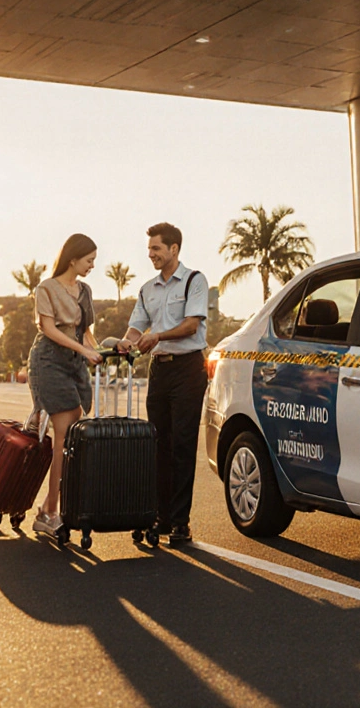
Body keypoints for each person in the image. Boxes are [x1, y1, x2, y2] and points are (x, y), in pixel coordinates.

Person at [117, 223, 209, 546]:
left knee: (183, 445)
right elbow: (135, 329)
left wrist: (158, 336)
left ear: (174, 249)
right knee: (159, 445)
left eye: (156, 248)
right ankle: (162, 517)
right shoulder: (147, 289)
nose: (151, 254)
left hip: (188, 369)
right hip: (160, 370)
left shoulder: (195, 282)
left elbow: (190, 325)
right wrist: (122, 343)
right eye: (149, 249)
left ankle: (180, 523)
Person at [28, 233, 103, 536]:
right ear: (73, 259)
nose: (92, 266)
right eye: (89, 260)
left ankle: (50, 508)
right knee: (64, 430)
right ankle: (50, 511)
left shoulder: (85, 290)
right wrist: (83, 350)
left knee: (74, 433)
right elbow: (48, 329)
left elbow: (84, 332)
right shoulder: (46, 288)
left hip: (75, 363)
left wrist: (98, 349)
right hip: (49, 361)